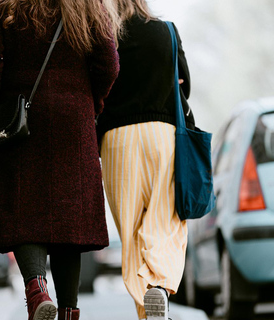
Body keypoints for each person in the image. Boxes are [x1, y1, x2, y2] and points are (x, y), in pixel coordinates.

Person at [0, 0, 120, 319]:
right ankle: (68, 311)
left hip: (22, 117)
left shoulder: (2, 2)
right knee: (69, 220)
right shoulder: (89, 3)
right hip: (74, 117)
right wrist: (88, 101)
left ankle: (37, 289)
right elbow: (109, 62)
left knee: (23, 209)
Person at [97, 1, 195, 319]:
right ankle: (158, 286)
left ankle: (148, 305)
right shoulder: (166, 31)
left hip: (116, 142)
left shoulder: (105, 34)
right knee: (165, 222)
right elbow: (185, 85)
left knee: (132, 232)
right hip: (161, 136)